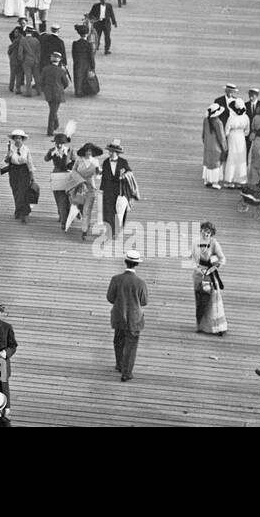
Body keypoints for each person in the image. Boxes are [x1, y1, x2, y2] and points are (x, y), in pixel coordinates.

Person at [107, 249, 148, 382]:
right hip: (134, 318)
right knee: (131, 345)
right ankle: (127, 372)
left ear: (125, 262)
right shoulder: (141, 283)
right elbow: (144, 302)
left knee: (118, 340)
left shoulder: (116, 279)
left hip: (119, 315)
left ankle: (119, 364)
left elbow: (110, 298)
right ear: (137, 264)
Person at [190, 222, 228, 336]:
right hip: (198, 274)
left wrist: (212, 268)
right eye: (204, 231)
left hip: (210, 274)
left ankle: (216, 327)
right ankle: (201, 325)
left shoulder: (214, 243)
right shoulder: (195, 242)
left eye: (209, 232)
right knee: (200, 299)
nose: (206, 234)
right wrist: (197, 269)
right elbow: (192, 258)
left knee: (212, 300)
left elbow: (222, 259)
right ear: (201, 230)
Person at [100, 139, 133, 238]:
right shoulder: (106, 162)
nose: (110, 153)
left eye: (112, 151)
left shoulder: (123, 162)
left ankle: (116, 231)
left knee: (118, 212)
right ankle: (110, 231)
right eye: (109, 151)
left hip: (119, 191)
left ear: (117, 153)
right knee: (108, 211)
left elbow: (129, 173)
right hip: (107, 190)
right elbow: (103, 176)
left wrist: (124, 176)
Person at [3, 129, 36, 224]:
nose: (18, 140)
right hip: (13, 171)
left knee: (23, 192)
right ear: (13, 139)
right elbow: (6, 161)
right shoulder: (11, 148)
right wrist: (8, 156)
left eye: (19, 138)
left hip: (24, 171)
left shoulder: (26, 149)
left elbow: (30, 162)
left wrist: (32, 176)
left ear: (22, 139)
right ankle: (18, 210)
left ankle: (24, 214)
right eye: (16, 138)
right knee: (16, 191)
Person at [38, 51, 72, 136]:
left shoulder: (45, 69)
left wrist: (45, 89)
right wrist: (61, 88)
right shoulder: (61, 71)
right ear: (59, 60)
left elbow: (41, 81)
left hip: (48, 93)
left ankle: (55, 125)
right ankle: (50, 131)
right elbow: (66, 83)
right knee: (53, 112)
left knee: (53, 110)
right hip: (58, 93)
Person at [222, 98, 250, 185]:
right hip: (241, 137)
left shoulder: (231, 118)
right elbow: (247, 131)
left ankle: (230, 179)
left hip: (232, 137)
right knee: (241, 157)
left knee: (232, 157)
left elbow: (226, 131)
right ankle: (240, 180)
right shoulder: (246, 118)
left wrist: (227, 136)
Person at [71, 24, 98, 96]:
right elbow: (91, 57)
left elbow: (73, 54)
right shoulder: (88, 44)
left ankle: (78, 91)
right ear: (86, 34)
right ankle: (85, 90)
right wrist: (93, 66)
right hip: (86, 63)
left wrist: (75, 61)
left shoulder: (75, 43)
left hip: (77, 62)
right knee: (85, 77)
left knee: (78, 77)